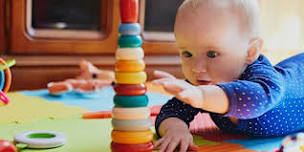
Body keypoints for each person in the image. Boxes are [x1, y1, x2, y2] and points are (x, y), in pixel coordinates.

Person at [152, 0, 304, 152]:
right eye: (188, 54)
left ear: (250, 52)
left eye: (212, 54)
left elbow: (257, 98)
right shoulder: (201, 85)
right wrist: (175, 129)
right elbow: (171, 111)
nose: (197, 68)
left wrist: (203, 97)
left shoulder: (264, 80)